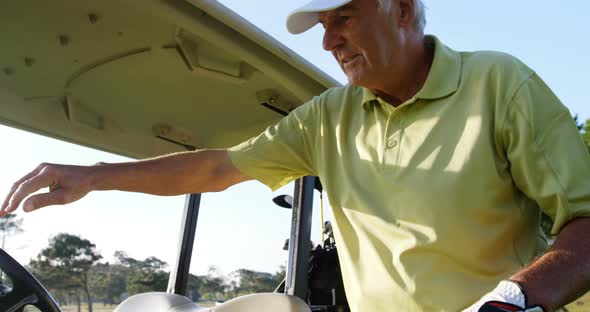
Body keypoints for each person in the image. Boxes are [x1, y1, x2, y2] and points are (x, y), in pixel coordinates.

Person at [1, 0, 589, 311]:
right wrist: (94, 176)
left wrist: (512, 302)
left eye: (345, 17)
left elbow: (584, 225)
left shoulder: (500, 83)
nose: (330, 40)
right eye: (323, 24)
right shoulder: (328, 116)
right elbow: (215, 168)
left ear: (403, 7)